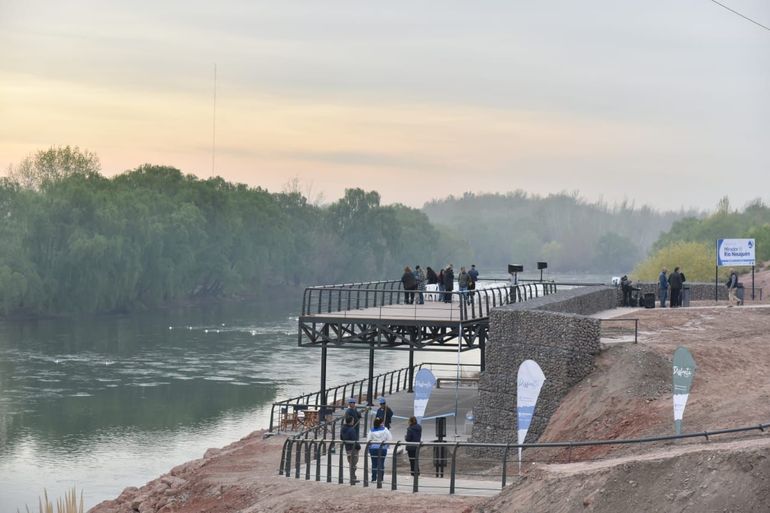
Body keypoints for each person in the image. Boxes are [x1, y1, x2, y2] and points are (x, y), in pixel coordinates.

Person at [366, 417, 392, 483]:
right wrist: (387, 445)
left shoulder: (371, 430)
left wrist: (369, 448)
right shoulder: (385, 430)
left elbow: (368, 440)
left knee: (374, 463)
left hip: (373, 448)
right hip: (382, 448)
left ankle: (374, 478)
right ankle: (380, 478)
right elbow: (389, 438)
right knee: (381, 463)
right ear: (381, 423)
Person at [340, 415, 360, 484]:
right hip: (353, 449)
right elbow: (355, 439)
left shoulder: (343, 428)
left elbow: (341, 437)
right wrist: (358, 447)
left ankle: (353, 477)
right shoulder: (352, 430)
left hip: (347, 448)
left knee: (351, 463)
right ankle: (352, 478)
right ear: (351, 421)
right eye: (353, 420)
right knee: (353, 463)